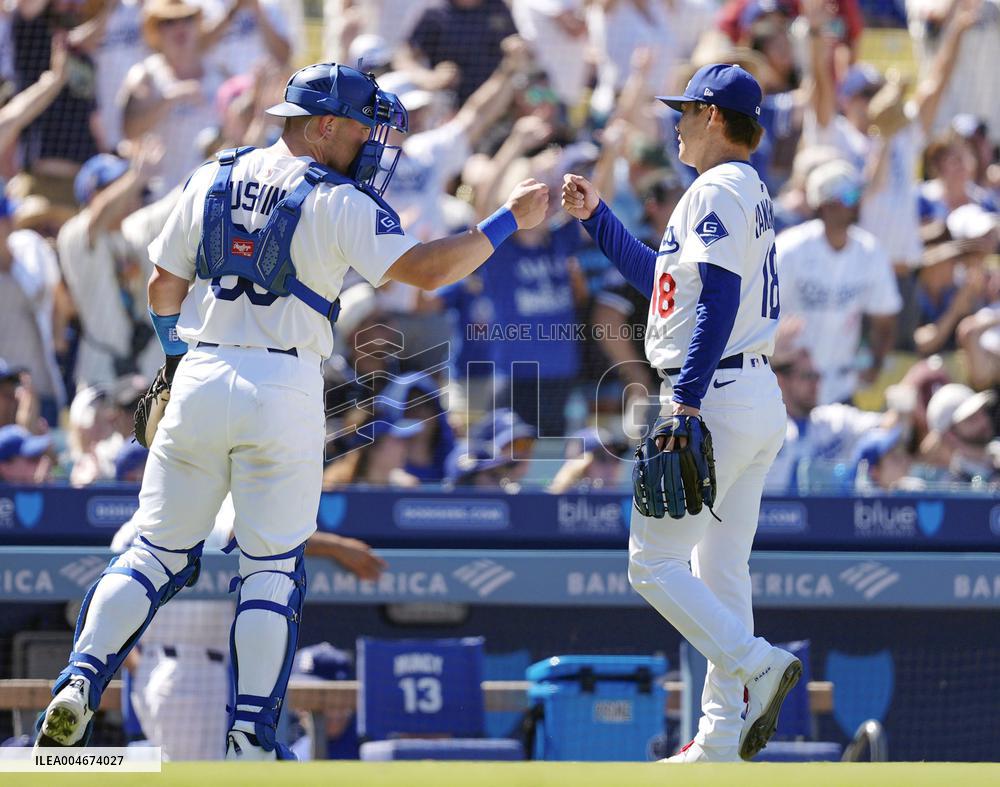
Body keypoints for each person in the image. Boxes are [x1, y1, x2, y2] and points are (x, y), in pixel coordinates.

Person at [33, 61, 548, 759]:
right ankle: (250, 734)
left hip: (201, 368)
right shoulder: (338, 198)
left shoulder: (214, 173)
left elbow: (162, 285)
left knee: (152, 553)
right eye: (363, 127)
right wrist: (510, 218)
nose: (372, 143)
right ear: (325, 125)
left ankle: (80, 678)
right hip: (284, 382)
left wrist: (176, 360)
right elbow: (430, 270)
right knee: (272, 571)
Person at [562, 63, 800, 763]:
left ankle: (756, 663)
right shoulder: (742, 187)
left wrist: (686, 401)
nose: (676, 122)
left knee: (652, 563)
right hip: (750, 393)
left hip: (713, 393)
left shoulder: (718, 186)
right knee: (721, 573)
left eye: (687, 110)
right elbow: (666, 285)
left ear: (715, 117)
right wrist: (599, 220)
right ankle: (723, 736)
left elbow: (718, 299)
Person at [775, 159, 902, 403]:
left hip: (842, 387)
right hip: (788, 388)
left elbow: (885, 317)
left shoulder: (870, 251)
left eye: (857, 195)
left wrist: (874, 363)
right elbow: (758, 314)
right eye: (848, 197)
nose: (856, 203)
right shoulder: (789, 250)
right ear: (825, 205)